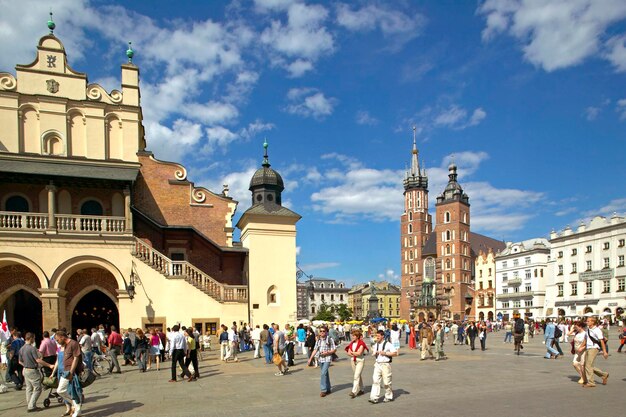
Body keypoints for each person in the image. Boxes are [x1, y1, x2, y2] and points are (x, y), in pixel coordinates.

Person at [54, 330, 84, 417]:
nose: (57, 342)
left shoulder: (73, 343)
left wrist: (71, 372)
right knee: (66, 391)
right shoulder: (66, 345)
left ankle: (77, 406)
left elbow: (76, 358)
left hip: (70, 372)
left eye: (58, 340)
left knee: (62, 390)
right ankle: (77, 406)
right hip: (65, 371)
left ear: (62, 337)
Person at [18, 332, 47, 413]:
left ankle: (30, 403)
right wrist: (48, 365)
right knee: (38, 388)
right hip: (32, 370)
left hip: (25, 369)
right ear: (30, 338)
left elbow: (20, 361)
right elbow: (37, 360)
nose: (34, 339)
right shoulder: (32, 348)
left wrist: (26, 365)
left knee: (29, 388)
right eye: (33, 338)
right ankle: (31, 406)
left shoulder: (21, 348)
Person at [369, 330, 397, 404]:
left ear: (382, 336)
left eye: (378, 336)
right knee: (375, 380)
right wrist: (374, 353)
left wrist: (385, 353)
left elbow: (395, 353)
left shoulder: (388, 344)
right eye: (376, 336)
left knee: (387, 382)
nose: (377, 337)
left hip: (385, 364)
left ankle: (388, 396)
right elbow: (375, 352)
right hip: (377, 364)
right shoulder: (376, 344)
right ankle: (374, 397)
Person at [308, 326, 336, 397]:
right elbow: (315, 349)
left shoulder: (329, 339)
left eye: (324, 331)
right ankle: (328, 388)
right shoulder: (318, 340)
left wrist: (327, 353)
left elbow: (334, 349)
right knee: (325, 373)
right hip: (320, 359)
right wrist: (310, 358)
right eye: (321, 331)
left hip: (327, 358)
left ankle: (323, 390)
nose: (322, 332)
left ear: (326, 332)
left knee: (323, 373)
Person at [583, 317, 609, 388]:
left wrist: (604, 352)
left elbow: (601, 341)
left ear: (593, 322)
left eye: (588, 321)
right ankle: (604, 375)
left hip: (594, 348)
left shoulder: (597, 330)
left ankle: (591, 382)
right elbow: (585, 339)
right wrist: (581, 347)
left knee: (588, 365)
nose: (586, 322)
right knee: (588, 366)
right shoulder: (588, 329)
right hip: (588, 348)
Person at [344, 328, 368, 398]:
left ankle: (353, 391)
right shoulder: (351, 343)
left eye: (354, 336)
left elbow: (359, 353)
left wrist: (352, 353)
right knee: (358, 375)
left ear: (357, 336)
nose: (352, 337)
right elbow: (348, 353)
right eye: (352, 335)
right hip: (353, 361)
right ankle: (362, 389)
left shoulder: (361, 343)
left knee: (356, 376)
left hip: (360, 361)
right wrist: (353, 353)